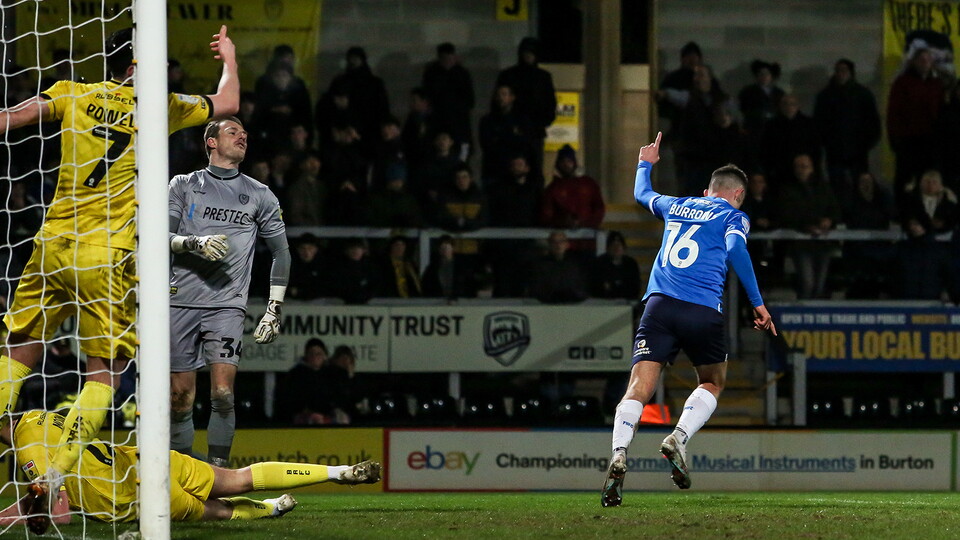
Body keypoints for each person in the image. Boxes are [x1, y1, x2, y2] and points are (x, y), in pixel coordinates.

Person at [0, 26, 239, 503]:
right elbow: (227, 102)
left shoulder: (72, 93)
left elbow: (11, 117)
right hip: (106, 254)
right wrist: (229, 57)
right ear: (137, 68)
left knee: (17, 350)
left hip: (50, 245)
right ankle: (56, 475)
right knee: (105, 372)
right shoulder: (159, 105)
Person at [601, 132, 776, 508]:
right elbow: (734, 249)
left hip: (659, 306)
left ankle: (618, 453)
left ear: (707, 190)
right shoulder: (734, 215)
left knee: (638, 388)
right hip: (700, 309)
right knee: (713, 380)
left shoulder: (678, 204)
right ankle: (678, 437)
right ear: (737, 195)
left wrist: (644, 163)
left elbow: (642, 195)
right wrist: (757, 303)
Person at [0, 409, 380, 530]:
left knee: (219, 509)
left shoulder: (26, 447)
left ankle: (270, 508)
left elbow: (56, 506)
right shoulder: (41, 416)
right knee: (237, 477)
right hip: (146, 458)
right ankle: (338, 472)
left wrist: (32, 516)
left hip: (136, 493)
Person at [168, 116, 290, 467]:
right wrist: (194, 242)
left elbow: (281, 252)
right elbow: (156, 237)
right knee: (180, 396)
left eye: (245, 134)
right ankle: (183, 470)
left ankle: (219, 472)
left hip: (227, 305)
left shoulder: (260, 194)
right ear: (211, 142)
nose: (243, 137)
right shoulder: (184, 185)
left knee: (222, 392)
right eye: (233, 132)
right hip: (179, 300)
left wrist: (273, 308)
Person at [495, 37, 557, 173]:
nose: (528, 56)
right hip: (511, 131)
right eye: (526, 52)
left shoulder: (543, 77)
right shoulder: (509, 75)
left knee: (534, 170)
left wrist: (540, 123)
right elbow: (498, 102)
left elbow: (550, 105)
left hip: (534, 132)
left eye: (532, 52)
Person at [422, 42, 475, 159]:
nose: (448, 61)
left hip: (459, 124)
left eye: (450, 58)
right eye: (445, 58)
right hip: (439, 123)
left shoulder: (462, 74)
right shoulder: (432, 74)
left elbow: (470, 100)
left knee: (462, 157)